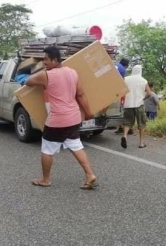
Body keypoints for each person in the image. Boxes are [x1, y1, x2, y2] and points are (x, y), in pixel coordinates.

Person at [25, 46, 97, 190]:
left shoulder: (46, 75)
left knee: (47, 148)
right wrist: (88, 112)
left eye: (46, 59)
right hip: (74, 117)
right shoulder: (73, 72)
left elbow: (28, 81)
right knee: (76, 145)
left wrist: (45, 74)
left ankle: (45, 180)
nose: (44, 62)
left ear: (55, 59)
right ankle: (90, 175)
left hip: (58, 119)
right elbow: (80, 95)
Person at [121, 65, 151, 149]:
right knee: (142, 124)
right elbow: (149, 93)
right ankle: (141, 143)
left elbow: (121, 90)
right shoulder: (143, 80)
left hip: (128, 105)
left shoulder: (126, 79)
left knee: (127, 122)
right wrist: (143, 98)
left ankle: (125, 136)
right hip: (139, 105)